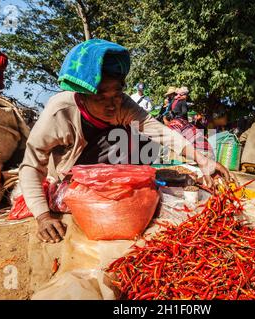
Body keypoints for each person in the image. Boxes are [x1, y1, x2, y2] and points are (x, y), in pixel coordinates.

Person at [19, 39, 230, 244]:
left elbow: (160, 132)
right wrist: (43, 215)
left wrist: (203, 161)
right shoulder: (60, 112)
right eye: (101, 96)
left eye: (117, 94)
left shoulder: (124, 105)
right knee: (116, 138)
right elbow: (31, 164)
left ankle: (122, 192)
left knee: (145, 139)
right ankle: (101, 194)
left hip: (109, 168)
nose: (112, 105)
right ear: (82, 96)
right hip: (73, 175)